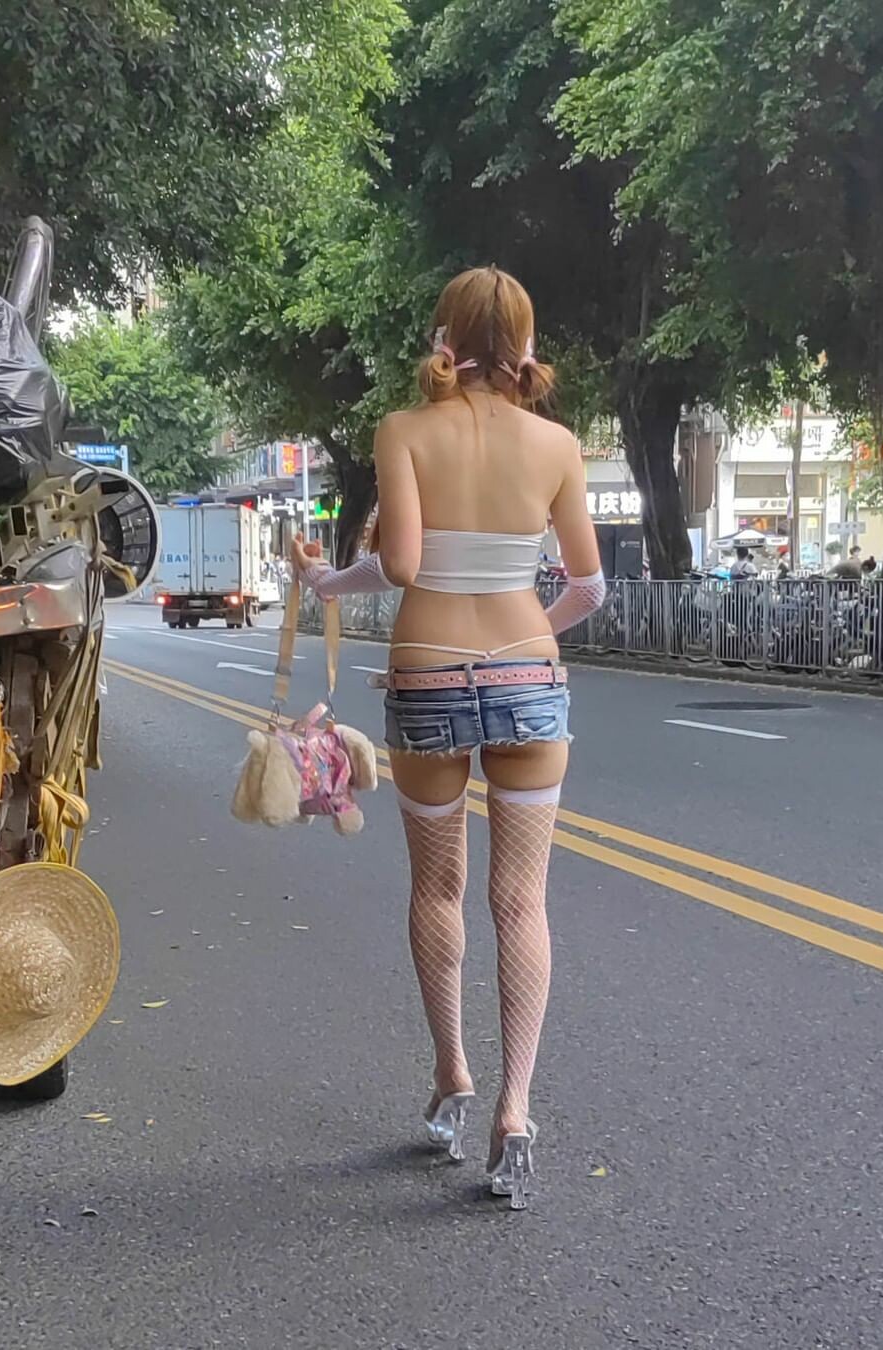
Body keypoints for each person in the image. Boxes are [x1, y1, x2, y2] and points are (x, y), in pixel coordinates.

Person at [293, 266, 605, 1209]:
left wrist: (324, 584)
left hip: (427, 675)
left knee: (438, 889)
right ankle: (516, 1111)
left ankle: (452, 1077)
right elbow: (587, 587)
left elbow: (400, 564)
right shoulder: (558, 445)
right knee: (522, 901)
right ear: (526, 344)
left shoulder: (403, 431)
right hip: (527, 678)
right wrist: (527, 637)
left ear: (443, 337)